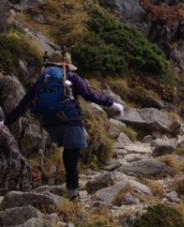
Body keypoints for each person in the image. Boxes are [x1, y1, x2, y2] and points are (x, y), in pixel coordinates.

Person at [0, 51, 124, 200]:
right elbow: (89, 95)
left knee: (68, 152)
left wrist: (5, 122)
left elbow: (23, 104)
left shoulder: (42, 80)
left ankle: (69, 188)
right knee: (72, 159)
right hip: (70, 122)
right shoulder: (71, 77)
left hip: (50, 124)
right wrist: (112, 104)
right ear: (65, 65)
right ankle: (73, 195)